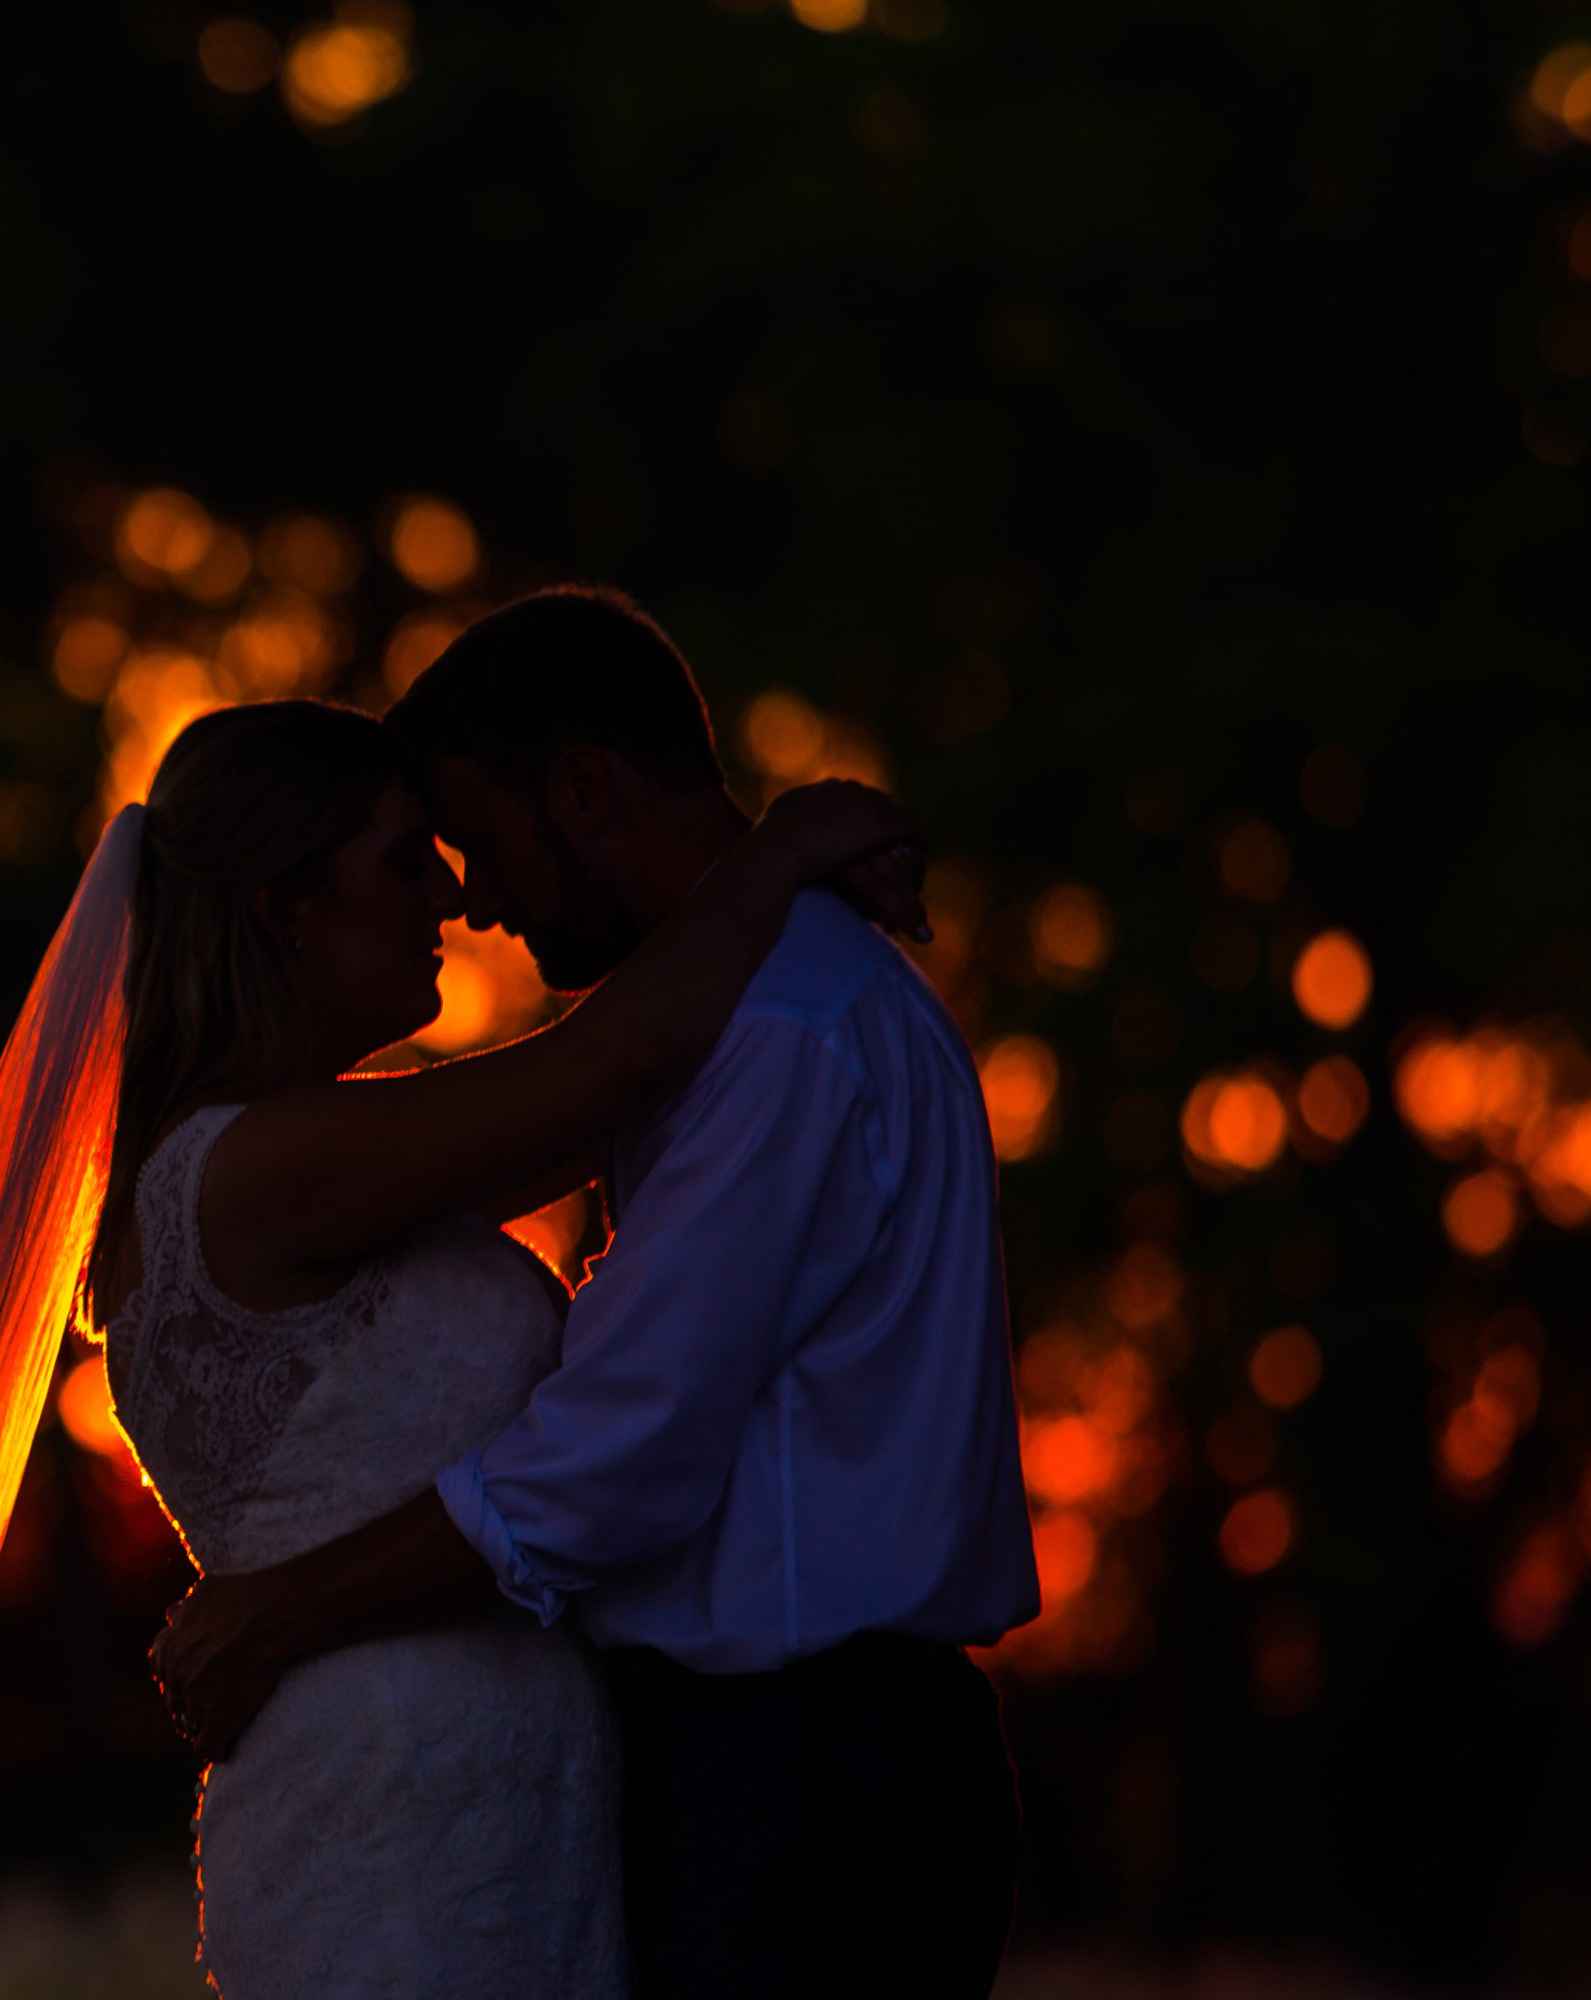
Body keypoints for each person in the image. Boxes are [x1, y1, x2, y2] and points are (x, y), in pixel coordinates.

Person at [149, 587, 1042, 1998]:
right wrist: (783, 857)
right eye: (420, 862)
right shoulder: (709, 1027)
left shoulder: (769, 1032)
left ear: (583, 791)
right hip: (626, 1790)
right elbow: (593, 1081)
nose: (472, 900)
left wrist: (278, 1611)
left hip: (804, 1774)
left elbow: (615, 1450)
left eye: (479, 846)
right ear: (285, 914)